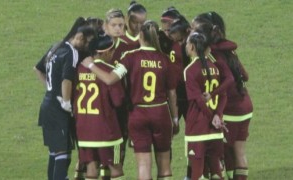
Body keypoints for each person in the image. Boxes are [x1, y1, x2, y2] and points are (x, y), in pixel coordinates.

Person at [81, 20, 178, 180]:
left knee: (143, 165)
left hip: (138, 114)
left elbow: (110, 79)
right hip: (161, 113)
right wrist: (174, 119)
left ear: (140, 36)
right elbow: (172, 93)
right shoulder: (165, 59)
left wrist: (91, 66)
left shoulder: (130, 57)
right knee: (164, 165)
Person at [33, 17, 95, 180]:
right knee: (63, 153)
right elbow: (67, 79)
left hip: (47, 106)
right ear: (79, 37)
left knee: (54, 151)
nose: (87, 47)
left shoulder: (55, 47)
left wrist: (50, 89)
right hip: (58, 110)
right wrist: (66, 102)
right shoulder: (72, 52)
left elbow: (38, 69)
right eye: (87, 42)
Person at [194, 12, 253, 180]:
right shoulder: (230, 50)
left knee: (218, 154)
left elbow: (228, 80)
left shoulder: (211, 55)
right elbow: (245, 76)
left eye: (195, 29)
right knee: (239, 152)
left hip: (231, 110)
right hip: (246, 107)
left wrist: (212, 94)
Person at [74, 35, 125, 180]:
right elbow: (118, 101)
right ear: (106, 52)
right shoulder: (109, 71)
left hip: (84, 129)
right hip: (106, 130)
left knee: (91, 169)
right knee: (116, 168)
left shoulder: (80, 69)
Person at [184, 30, 227, 180]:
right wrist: (218, 116)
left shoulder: (190, 70)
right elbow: (223, 95)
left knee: (197, 174)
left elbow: (199, 100)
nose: (186, 45)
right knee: (216, 172)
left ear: (193, 47)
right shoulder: (214, 67)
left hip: (198, 128)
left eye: (188, 43)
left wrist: (211, 117)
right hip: (215, 129)